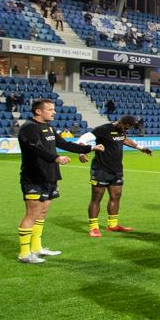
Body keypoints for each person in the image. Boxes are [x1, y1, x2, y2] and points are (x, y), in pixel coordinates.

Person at [16, 99, 101, 264]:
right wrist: (56, 157)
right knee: (32, 213)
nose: (54, 112)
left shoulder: (48, 127)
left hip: (50, 174)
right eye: (50, 109)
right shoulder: (28, 128)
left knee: (42, 213)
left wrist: (89, 148)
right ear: (38, 111)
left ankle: (36, 248)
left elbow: (63, 143)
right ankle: (24, 254)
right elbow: (36, 148)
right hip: (34, 175)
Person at [85, 114, 154, 237]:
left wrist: (140, 148)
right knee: (97, 197)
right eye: (125, 128)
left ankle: (112, 225)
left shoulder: (121, 132)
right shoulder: (103, 129)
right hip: (101, 168)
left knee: (116, 196)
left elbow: (124, 139)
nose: (126, 131)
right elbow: (85, 138)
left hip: (116, 169)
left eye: (128, 129)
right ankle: (94, 227)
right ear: (120, 122)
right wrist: (82, 150)